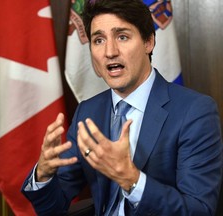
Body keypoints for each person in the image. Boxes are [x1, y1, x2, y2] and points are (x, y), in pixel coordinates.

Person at [21, 0, 223, 215]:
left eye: (122, 37)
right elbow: (53, 207)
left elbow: (198, 210)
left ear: (148, 42)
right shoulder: (88, 112)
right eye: (98, 40)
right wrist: (43, 175)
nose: (110, 51)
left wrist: (131, 180)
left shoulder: (194, 111)